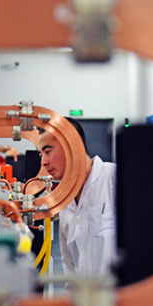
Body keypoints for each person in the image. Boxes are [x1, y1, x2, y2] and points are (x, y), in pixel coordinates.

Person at [38, 117, 117, 275]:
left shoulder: (112, 177)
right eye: (41, 155)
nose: (43, 162)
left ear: (73, 145)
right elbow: (70, 266)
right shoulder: (65, 202)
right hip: (85, 290)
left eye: (48, 151)